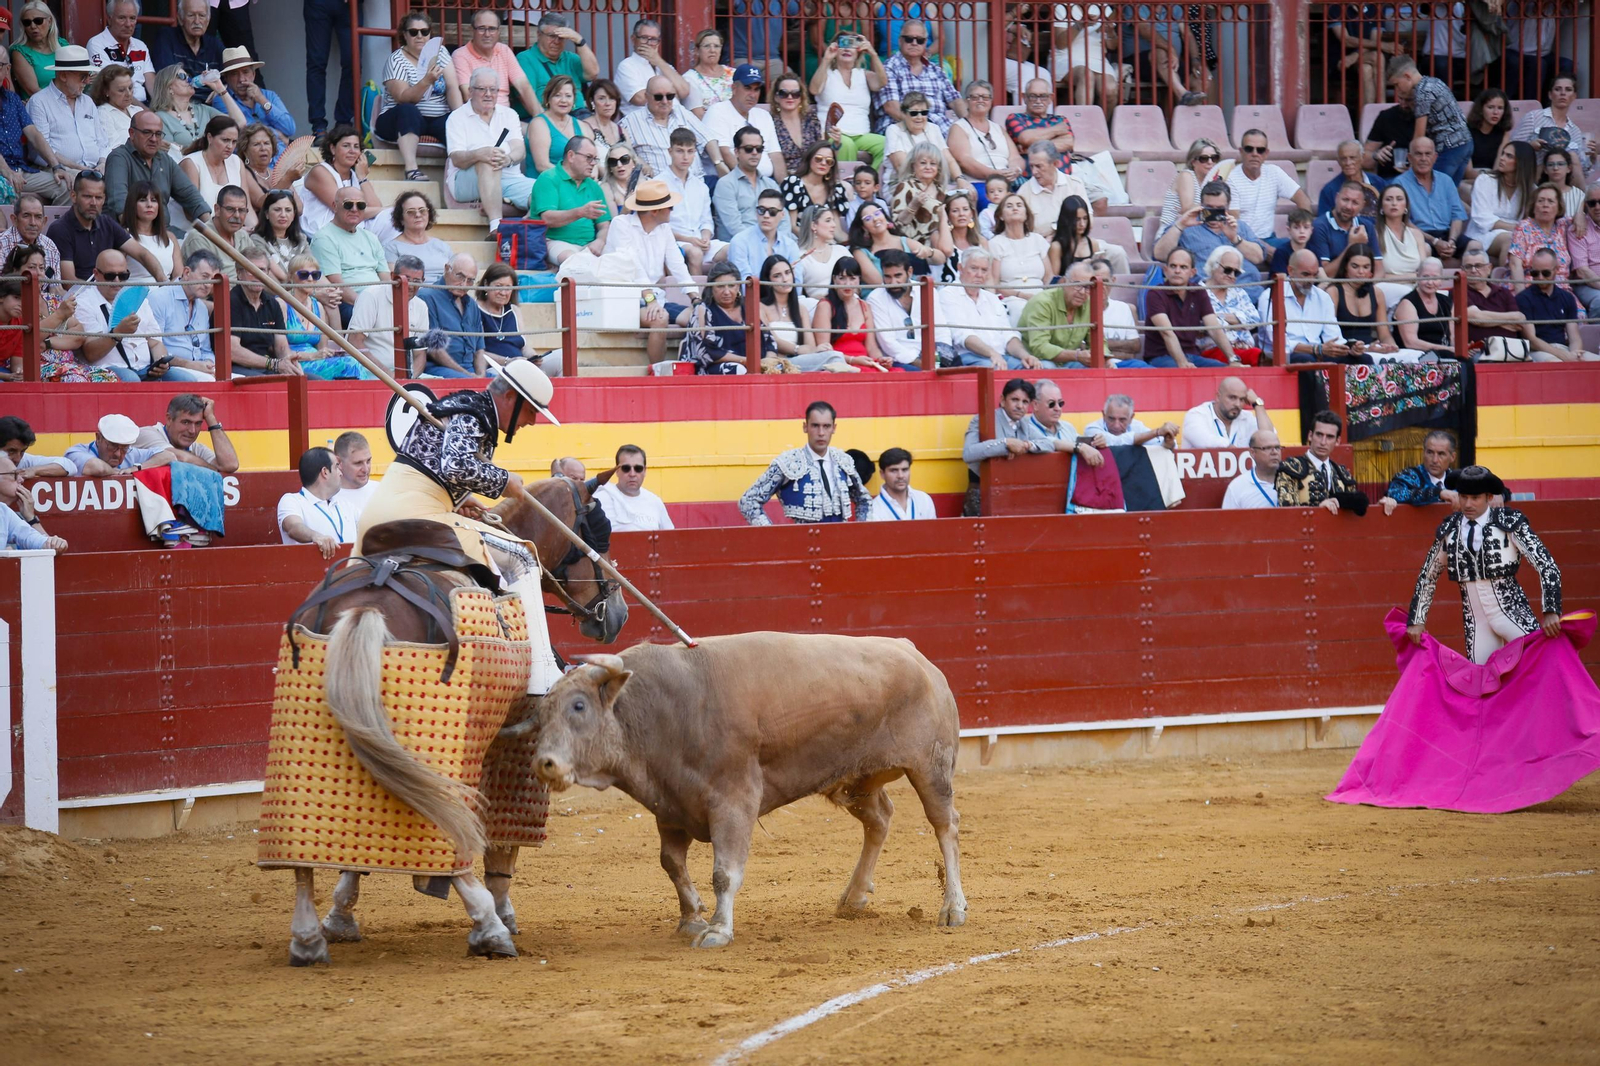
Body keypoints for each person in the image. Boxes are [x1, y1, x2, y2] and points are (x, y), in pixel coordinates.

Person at [357, 360, 565, 700]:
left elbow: (433, 468)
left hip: (380, 514)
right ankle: (541, 673)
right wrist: (504, 480)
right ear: (511, 398)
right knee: (523, 557)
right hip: (416, 514)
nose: (531, 421)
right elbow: (456, 466)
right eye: (531, 411)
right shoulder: (476, 412)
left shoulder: (461, 406)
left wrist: (461, 499)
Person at [1405, 465, 1562, 665]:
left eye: (1475, 498)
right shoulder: (1449, 530)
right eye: (1463, 497)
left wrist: (1551, 610)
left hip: (1511, 612)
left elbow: (1546, 565)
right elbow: (1428, 576)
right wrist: (1417, 619)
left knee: (1542, 664)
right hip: (1476, 621)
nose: (1468, 504)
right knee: (1483, 683)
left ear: (1489, 497)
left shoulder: (1508, 523)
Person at [603, 179, 696, 360]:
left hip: (654, 297)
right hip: (624, 299)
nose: (672, 210)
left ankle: (692, 368)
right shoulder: (621, 224)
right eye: (670, 207)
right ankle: (657, 374)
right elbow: (633, 268)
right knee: (659, 318)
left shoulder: (665, 228)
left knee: (697, 317)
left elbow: (678, 266)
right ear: (654, 211)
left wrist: (696, 298)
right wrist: (650, 299)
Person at [739, 400, 873, 524]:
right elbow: (748, 501)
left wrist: (858, 531)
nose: (821, 433)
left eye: (826, 426)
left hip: (840, 543)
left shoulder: (843, 461)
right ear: (805, 427)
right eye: (815, 426)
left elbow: (864, 500)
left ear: (834, 428)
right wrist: (773, 535)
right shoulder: (788, 462)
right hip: (802, 544)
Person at [376, 11, 464, 182]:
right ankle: (411, 170)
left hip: (436, 117)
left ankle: (460, 175)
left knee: (455, 123)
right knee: (408, 111)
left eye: (424, 32)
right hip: (399, 118)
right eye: (413, 32)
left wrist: (460, 117)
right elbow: (404, 97)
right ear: (404, 34)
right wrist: (426, 81)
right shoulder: (396, 60)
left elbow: (453, 87)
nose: (419, 36)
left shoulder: (441, 53)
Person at [446, 69, 534, 234]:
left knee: (546, 188)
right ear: (470, 91)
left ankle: (523, 227)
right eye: (482, 89)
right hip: (466, 181)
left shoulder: (509, 114)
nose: (488, 94)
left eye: (493, 89)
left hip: (510, 179)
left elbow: (519, 149)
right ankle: (496, 228)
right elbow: (457, 159)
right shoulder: (457, 117)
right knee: (488, 162)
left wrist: (507, 159)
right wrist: (479, 154)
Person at [50, 170, 174, 285]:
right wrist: (101, 293)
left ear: (104, 199)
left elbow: (142, 254)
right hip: (78, 300)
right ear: (73, 196)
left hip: (109, 294)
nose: (93, 203)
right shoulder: (60, 229)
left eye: (98, 197)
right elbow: (69, 282)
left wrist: (163, 282)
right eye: (87, 196)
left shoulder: (107, 223)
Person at [959, 377, 1057, 513]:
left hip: (1013, 495)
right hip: (981, 493)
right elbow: (969, 453)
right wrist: (1005, 444)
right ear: (1002, 400)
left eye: (1025, 402)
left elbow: (1048, 443)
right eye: (1014, 400)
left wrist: (1026, 445)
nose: (1020, 406)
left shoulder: (1024, 423)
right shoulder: (982, 420)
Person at [1153, 180, 1268, 287]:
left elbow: (1258, 258)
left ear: (1228, 207)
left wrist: (1235, 239)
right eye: (1209, 208)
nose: (1214, 213)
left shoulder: (1240, 226)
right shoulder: (1186, 225)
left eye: (1219, 209)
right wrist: (1180, 225)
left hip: (1249, 289)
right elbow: (1160, 254)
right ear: (1201, 205)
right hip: (1209, 293)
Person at [105, 109, 211, 223]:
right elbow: (119, 202)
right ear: (132, 133)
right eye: (147, 132)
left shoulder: (164, 159)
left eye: (158, 134)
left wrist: (213, 231)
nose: (154, 139)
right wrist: (141, 238)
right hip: (129, 232)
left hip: (164, 231)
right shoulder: (119, 158)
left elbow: (190, 196)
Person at [1208, 128, 1310, 245]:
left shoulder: (1274, 173)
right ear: (1241, 151)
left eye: (1260, 150)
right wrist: (1263, 248)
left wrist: (1303, 230)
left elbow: (1304, 201)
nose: (1255, 154)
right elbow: (1235, 224)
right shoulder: (1231, 178)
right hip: (1243, 241)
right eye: (1249, 149)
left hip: (1270, 238)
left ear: (1266, 153)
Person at [942, 251, 1041, 370]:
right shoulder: (948, 294)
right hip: (968, 357)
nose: (979, 274)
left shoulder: (992, 298)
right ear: (960, 268)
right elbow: (962, 335)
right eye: (974, 268)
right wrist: (992, 354)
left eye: (984, 270)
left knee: (1034, 366)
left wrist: (1025, 355)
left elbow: (1008, 335)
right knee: (992, 368)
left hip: (1000, 357)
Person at [757, 253, 853, 372]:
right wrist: (798, 349)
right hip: (777, 363)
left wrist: (813, 350)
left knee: (832, 360)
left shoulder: (801, 309)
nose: (785, 279)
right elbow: (772, 340)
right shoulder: (760, 307)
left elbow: (810, 346)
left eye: (787, 273)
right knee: (834, 357)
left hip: (797, 362)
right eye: (777, 275)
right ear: (768, 281)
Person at [1384, 55, 1472, 182]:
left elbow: (1419, 136)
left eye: (1397, 85)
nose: (1397, 90)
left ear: (1407, 76)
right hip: (1466, 142)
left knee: (1435, 189)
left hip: (1450, 147)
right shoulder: (1434, 82)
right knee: (1450, 192)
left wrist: (1411, 163)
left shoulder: (1422, 93)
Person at [308, 187, 389, 324]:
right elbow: (336, 284)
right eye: (348, 204)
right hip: (349, 302)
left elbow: (386, 278)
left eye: (360, 205)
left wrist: (390, 303)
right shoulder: (324, 238)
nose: (354, 209)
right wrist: (368, 306)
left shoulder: (371, 237)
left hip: (378, 300)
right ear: (335, 206)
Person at [26, 46, 110, 176]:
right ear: (64, 76)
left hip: (95, 170)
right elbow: (42, 150)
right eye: (83, 76)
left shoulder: (87, 101)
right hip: (59, 170)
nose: (87, 81)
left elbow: (102, 141)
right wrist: (78, 168)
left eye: (89, 75)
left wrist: (102, 164)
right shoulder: (39, 102)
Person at [0, 50, 70, 205]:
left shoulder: (12, 99)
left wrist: (56, 166)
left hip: (20, 169)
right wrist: (7, 172)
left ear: (7, 70)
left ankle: (53, 229)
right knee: (4, 188)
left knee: (66, 185)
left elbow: (34, 134)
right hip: (3, 171)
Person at [1144, 248, 1234, 368]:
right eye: (1173, 266)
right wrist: (1182, 363)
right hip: (1161, 357)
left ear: (1192, 272)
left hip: (1193, 356)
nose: (1177, 271)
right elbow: (1167, 333)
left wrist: (1234, 360)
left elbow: (1215, 329)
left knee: (1226, 371)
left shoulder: (1199, 292)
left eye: (1183, 267)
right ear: (1166, 270)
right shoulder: (1155, 294)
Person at [344, 253, 430, 377]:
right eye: (406, 279)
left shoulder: (421, 306)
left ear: (423, 281)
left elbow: (420, 354)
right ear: (393, 277)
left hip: (405, 376)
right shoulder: (371, 296)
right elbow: (355, 342)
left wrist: (409, 379)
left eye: (416, 281)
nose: (410, 285)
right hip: (369, 373)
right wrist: (388, 375)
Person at [621, 74, 719, 182]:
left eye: (670, 96)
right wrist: (638, 161)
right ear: (646, 96)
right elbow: (619, 150)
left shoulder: (682, 112)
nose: (664, 101)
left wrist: (719, 163)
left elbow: (708, 139)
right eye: (658, 97)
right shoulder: (630, 121)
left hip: (697, 182)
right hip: (659, 189)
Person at [297, 124, 387, 241]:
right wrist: (387, 209)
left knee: (387, 219)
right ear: (333, 149)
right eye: (346, 146)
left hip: (351, 232)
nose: (352, 151)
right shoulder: (320, 172)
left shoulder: (355, 175)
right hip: (321, 235)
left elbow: (376, 208)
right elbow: (343, 210)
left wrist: (362, 177)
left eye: (356, 147)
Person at [529, 136, 609, 266]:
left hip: (591, 245)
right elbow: (547, 219)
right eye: (589, 157)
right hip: (556, 242)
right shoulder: (549, 178)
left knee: (620, 261)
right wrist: (581, 212)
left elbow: (604, 225)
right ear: (571, 156)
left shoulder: (594, 186)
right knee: (573, 261)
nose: (593, 163)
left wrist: (600, 241)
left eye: (595, 159)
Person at [1016, 260, 1111, 370]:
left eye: (1087, 287)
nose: (1082, 292)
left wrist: (1106, 359)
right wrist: (1076, 355)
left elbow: (1099, 341)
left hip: (1070, 362)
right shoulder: (1042, 302)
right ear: (1064, 282)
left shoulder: (1089, 303)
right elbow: (1039, 347)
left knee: (1098, 369)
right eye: (1077, 285)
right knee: (1048, 368)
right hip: (1037, 360)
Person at [149, 62, 245, 168]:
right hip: (184, 172)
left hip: (213, 169)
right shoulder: (160, 118)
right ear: (169, 87)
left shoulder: (203, 110)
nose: (188, 80)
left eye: (188, 76)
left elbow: (239, 123)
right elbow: (173, 155)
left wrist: (220, 89)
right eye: (182, 76)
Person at [810, 39, 887, 171]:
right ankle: (846, 185)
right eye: (842, 44)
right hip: (833, 134)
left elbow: (881, 83)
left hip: (861, 134)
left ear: (858, 51)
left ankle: (870, 181)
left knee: (887, 143)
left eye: (851, 45)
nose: (847, 49)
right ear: (835, 49)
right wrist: (826, 59)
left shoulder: (863, 74)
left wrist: (873, 54)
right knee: (847, 144)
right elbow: (814, 90)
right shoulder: (827, 73)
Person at [1328, 243, 1414, 360]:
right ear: (1345, 268)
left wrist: (1390, 346)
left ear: (1371, 271)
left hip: (1372, 350)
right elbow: (1330, 336)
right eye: (1355, 266)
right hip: (1342, 350)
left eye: (1366, 267)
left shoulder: (1377, 293)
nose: (1361, 272)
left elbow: (1384, 334)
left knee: (1411, 356)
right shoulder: (1334, 292)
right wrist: (1366, 349)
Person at [449, 7, 539, 118]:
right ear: (472, 31)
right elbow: (468, 94)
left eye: (492, 29)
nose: (487, 34)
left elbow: (523, 86)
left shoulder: (504, 50)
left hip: (507, 118)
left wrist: (540, 117)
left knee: (539, 131)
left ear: (498, 32)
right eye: (481, 28)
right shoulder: (461, 55)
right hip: (478, 119)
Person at [876, 19, 962, 134]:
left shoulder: (936, 70)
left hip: (940, 128)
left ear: (925, 43)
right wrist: (921, 128)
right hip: (901, 127)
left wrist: (970, 125)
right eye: (909, 39)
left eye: (920, 40)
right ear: (900, 40)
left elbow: (956, 101)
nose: (914, 43)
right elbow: (892, 108)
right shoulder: (889, 68)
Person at [228, 245, 299, 375]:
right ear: (239, 273)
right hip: (238, 368)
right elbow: (232, 352)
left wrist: (289, 362)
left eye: (262, 270)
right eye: (251, 270)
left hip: (269, 367)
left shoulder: (273, 303)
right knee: (273, 384)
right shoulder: (230, 302)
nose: (258, 275)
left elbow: (281, 346)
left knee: (311, 380)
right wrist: (274, 364)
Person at [1507, 74, 1598, 175]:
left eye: (1568, 89)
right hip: (1533, 176)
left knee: (1572, 157)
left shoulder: (1575, 131)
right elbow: (1511, 149)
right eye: (1558, 89)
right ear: (1550, 94)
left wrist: (1592, 158)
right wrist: (1530, 146)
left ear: (1574, 96)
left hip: (1563, 180)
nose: (1563, 93)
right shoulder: (1534, 117)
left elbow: (1582, 172)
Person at [811, 256, 890, 370]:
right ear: (834, 279)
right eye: (842, 278)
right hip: (839, 365)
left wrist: (881, 359)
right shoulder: (825, 306)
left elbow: (872, 347)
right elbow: (824, 350)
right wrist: (853, 359)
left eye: (852, 278)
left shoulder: (865, 306)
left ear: (859, 280)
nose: (847, 283)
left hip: (865, 362)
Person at [1391, 137, 1465, 259]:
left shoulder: (1446, 181)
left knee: (1475, 246)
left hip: (1447, 235)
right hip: (1419, 236)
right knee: (1426, 249)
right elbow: (1403, 221)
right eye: (1418, 154)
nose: (1423, 159)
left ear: (1435, 157)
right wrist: (1434, 241)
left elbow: (1457, 215)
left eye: (1428, 154)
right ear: (1409, 158)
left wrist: (1452, 241)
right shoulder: (1399, 184)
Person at [1515, 248, 1593, 362]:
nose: (1540, 278)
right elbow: (1531, 340)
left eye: (1546, 273)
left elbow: (1574, 338)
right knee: (1554, 363)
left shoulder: (1567, 297)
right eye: (1535, 273)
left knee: (1596, 362)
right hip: (1537, 351)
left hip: (1563, 349)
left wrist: (1575, 354)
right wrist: (1564, 356)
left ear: (1556, 270)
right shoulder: (1523, 298)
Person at [1276, 410, 1362, 513]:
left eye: (1329, 437)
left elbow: (1357, 511)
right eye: (1319, 435)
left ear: (1338, 441)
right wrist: (1318, 509)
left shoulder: (1343, 474)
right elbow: (1288, 511)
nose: (1323, 442)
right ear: (1310, 436)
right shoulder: (1290, 469)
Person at [706, 66, 783, 181]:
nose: (753, 94)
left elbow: (776, 155)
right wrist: (750, 183)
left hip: (765, 182)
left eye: (756, 89)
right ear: (734, 88)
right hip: (731, 181)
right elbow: (725, 152)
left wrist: (785, 188)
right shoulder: (717, 111)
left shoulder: (764, 115)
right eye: (747, 88)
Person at [517, 12, 598, 119]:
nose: (556, 41)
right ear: (539, 34)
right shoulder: (526, 58)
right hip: (547, 117)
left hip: (578, 114)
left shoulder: (570, 58)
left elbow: (593, 74)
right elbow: (524, 95)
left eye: (561, 37)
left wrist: (579, 40)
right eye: (552, 36)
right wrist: (544, 122)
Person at [662, 128, 722, 272]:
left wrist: (705, 238)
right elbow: (660, 226)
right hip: (674, 242)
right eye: (680, 151)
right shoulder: (659, 184)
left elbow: (706, 220)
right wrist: (689, 240)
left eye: (690, 151)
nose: (685, 157)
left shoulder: (701, 186)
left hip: (699, 240)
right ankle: (697, 295)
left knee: (735, 248)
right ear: (670, 151)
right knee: (695, 253)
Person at [278, 445, 354, 558]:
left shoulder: (345, 504)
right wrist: (316, 536)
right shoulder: (292, 500)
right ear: (325, 472)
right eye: (336, 467)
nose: (340, 473)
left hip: (353, 573)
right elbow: (293, 527)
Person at [1466, 141, 1537, 261]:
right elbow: (1481, 218)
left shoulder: (1532, 190)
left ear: (1522, 162)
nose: (1502, 158)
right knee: (1511, 241)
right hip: (1481, 235)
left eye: (1509, 156)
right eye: (1503, 154)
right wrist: (1517, 228)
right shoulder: (1485, 180)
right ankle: (1507, 279)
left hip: (1520, 234)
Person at [134, 393, 238, 475]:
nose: (192, 430)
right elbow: (177, 457)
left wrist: (211, 418)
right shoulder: (147, 434)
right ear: (169, 419)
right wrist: (213, 470)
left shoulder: (197, 449)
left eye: (198, 423)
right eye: (186, 422)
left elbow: (231, 465)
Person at [866, 250, 936, 370]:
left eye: (898, 276)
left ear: (909, 272)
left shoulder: (925, 290)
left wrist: (940, 357)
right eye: (887, 277)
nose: (893, 283)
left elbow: (941, 329)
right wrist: (922, 364)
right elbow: (888, 343)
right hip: (899, 361)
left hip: (932, 356)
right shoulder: (875, 298)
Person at [418, 253, 486, 375]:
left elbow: (479, 349)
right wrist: (469, 376)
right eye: (460, 276)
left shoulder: (472, 304)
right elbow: (435, 351)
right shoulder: (427, 297)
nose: (464, 285)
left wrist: (482, 376)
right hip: (440, 369)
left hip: (470, 370)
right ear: (446, 269)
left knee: (514, 382)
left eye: (470, 280)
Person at [179, 116, 249, 231]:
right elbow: (191, 212)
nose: (230, 146)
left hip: (229, 233)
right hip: (192, 235)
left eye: (234, 142)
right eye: (225, 140)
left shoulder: (236, 162)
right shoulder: (190, 163)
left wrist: (256, 230)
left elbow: (247, 207)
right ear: (210, 137)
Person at [850, 200, 942, 287]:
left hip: (913, 294)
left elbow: (941, 259)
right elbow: (878, 282)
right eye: (868, 218)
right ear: (864, 228)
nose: (875, 219)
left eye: (877, 213)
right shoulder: (861, 252)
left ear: (885, 217)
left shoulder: (904, 241)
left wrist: (929, 251)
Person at [216, 47, 292, 153]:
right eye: (234, 74)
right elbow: (245, 131)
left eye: (245, 72)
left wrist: (261, 99)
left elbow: (289, 128)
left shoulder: (269, 95)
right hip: (247, 162)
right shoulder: (221, 99)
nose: (241, 79)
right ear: (226, 78)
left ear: (254, 74)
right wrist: (277, 134)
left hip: (281, 160)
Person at [714, 126, 782, 242]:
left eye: (759, 149)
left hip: (771, 245)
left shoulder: (771, 185)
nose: (755, 153)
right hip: (738, 246)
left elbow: (783, 222)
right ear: (736, 152)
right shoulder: (726, 184)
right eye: (749, 149)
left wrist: (780, 243)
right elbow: (734, 227)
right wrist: (763, 244)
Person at [179, 184, 257, 281]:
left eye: (241, 210)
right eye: (230, 209)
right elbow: (207, 285)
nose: (237, 215)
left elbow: (259, 271)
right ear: (217, 210)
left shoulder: (243, 236)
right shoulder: (199, 238)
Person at [614, 18, 690, 116]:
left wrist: (658, 61)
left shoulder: (663, 65)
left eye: (654, 39)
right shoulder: (627, 66)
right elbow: (639, 98)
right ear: (633, 39)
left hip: (677, 119)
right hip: (645, 122)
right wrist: (672, 92)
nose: (649, 43)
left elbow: (684, 91)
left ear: (658, 42)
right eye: (644, 38)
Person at [1460, 248, 1532, 351]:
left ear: (1489, 268)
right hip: (1479, 352)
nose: (1473, 270)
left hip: (1511, 351)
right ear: (1462, 270)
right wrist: (1509, 318)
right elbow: (1477, 318)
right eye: (1468, 267)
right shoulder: (1458, 292)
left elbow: (1518, 323)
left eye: (1478, 266)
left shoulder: (1504, 292)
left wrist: (1486, 321)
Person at [1202, 245, 1263, 364]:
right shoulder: (1198, 292)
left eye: (1237, 272)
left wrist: (1220, 317)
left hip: (1246, 349)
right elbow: (1203, 325)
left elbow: (1254, 320)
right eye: (1228, 270)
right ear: (1214, 266)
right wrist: (1239, 321)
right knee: (1260, 357)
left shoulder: (1239, 292)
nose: (1232, 276)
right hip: (1215, 350)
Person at [590, 445, 672, 533]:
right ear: (617, 470)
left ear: (644, 471)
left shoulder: (655, 502)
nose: (632, 474)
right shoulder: (600, 500)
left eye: (638, 468)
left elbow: (670, 538)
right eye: (626, 468)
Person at [87, 1, 155, 103]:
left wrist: (163, 109)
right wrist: (147, 113)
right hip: (114, 106)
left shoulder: (141, 46)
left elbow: (152, 82)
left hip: (143, 106)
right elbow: (115, 88)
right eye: (122, 18)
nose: (128, 24)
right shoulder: (96, 44)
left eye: (132, 18)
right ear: (109, 19)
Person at [1017, 142, 1090, 238]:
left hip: (1073, 242)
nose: (1034, 172)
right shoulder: (1024, 192)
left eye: (1039, 166)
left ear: (1055, 163)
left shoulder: (1074, 184)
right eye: (1031, 166)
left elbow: (1088, 221)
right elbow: (1020, 231)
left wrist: (1057, 236)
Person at [1372, 183, 1428, 306]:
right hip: (1386, 289)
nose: (1394, 203)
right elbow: (1377, 277)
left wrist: (1413, 278)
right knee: (1410, 296)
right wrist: (1411, 276)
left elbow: (1424, 272)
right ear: (1381, 207)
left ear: (1406, 206)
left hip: (1416, 288)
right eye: (1388, 199)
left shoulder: (1417, 235)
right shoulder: (1374, 235)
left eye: (1399, 199)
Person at [525, 74, 593, 176]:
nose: (563, 100)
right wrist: (574, 177)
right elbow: (542, 165)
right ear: (548, 98)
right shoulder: (539, 124)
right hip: (547, 183)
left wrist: (593, 175)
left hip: (578, 183)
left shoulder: (582, 125)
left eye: (568, 96)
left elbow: (591, 160)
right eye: (557, 95)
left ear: (574, 100)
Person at [63, 413, 173, 476]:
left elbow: (169, 456)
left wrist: (137, 468)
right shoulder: (76, 452)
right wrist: (120, 473)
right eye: (112, 445)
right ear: (99, 438)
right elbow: (98, 468)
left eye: (124, 447)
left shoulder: (130, 453)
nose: (118, 453)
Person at [475, 262, 537, 374]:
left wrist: (533, 357)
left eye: (508, 288)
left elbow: (525, 347)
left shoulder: (514, 310)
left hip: (520, 365)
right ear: (486, 284)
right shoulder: (474, 309)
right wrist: (508, 361)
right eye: (498, 287)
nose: (503, 293)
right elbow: (476, 352)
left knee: (560, 358)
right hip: (495, 368)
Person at [1180, 376, 1274, 449]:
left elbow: (1269, 439)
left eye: (1242, 399)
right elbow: (1206, 441)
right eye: (1232, 398)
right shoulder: (1196, 415)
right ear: (1218, 396)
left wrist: (1257, 404)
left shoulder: (1246, 417)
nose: (1237, 404)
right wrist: (1237, 453)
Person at [1507, 184, 1573, 287]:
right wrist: (1522, 298)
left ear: (1559, 208)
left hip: (1561, 290)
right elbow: (1515, 265)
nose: (1545, 205)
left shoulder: (1563, 225)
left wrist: (1580, 217)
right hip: (1530, 288)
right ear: (1533, 207)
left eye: (1550, 201)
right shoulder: (1524, 227)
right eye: (1540, 201)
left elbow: (1585, 217)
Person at [0, 453, 67, 553]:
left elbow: (37, 541)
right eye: (14, 475)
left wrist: (54, 543)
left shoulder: (4, 512)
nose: (21, 479)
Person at [1380, 430, 1459, 514]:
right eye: (1430, 452)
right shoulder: (1408, 476)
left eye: (1441, 454)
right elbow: (1394, 494)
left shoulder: (1458, 480)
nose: (1435, 460)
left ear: (1452, 457)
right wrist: (1438, 493)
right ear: (1423, 453)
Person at [726, 187, 799, 279]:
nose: (766, 216)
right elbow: (744, 283)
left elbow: (797, 283)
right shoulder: (740, 241)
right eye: (761, 210)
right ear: (756, 212)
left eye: (772, 212)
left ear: (782, 215)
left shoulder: (790, 245)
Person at [1048, 194, 1126, 279]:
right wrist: (1081, 268)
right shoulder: (1057, 247)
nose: (1082, 224)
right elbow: (1053, 282)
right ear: (1067, 220)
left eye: (1085, 218)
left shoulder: (1092, 243)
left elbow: (1097, 277)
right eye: (1077, 219)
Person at [381, 191, 451, 281]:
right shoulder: (391, 248)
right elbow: (396, 284)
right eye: (410, 212)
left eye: (422, 210)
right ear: (401, 219)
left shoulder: (442, 246)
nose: (418, 215)